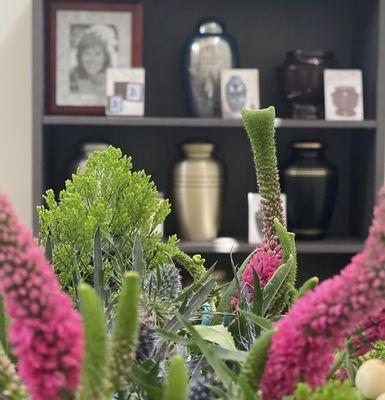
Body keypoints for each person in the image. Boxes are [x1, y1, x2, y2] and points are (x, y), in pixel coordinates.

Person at [70, 24, 118, 95]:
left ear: (105, 58)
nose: (92, 60)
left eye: (97, 54)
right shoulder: (72, 78)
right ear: (80, 56)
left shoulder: (114, 79)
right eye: (87, 53)